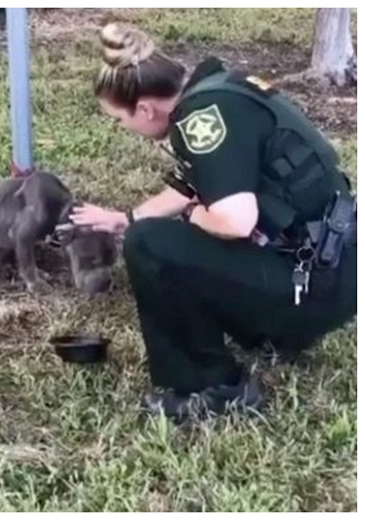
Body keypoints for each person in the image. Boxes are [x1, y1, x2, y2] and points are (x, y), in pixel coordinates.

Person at [70, 24, 356, 422]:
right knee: (158, 231)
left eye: (120, 119)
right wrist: (127, 217)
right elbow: (196, 185)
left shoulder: (200, 120)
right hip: (332, 270)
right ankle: (269, 332)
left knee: (149, 245)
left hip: (310, 291)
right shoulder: (221, 92)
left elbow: (235, 221)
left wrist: (183, 218)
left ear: (145, 109)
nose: (125, 129)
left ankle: (212, 388)